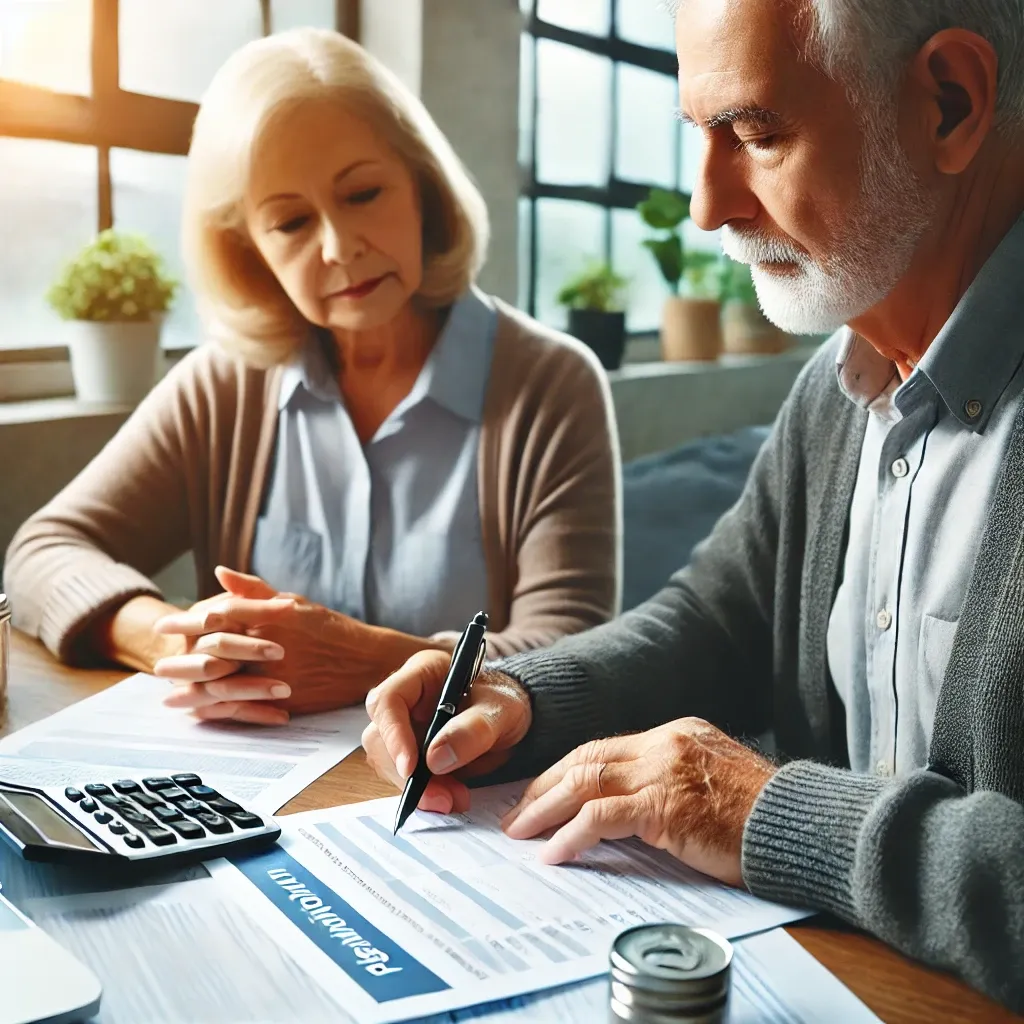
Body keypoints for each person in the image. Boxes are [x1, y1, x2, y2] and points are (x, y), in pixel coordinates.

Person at [363, 0, 1024, 1011]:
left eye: (755, 135)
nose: (707, 206)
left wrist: (768, 811)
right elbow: (717, 619)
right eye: (699, 136)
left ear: (949, 102)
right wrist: (523, 696)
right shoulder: (835, 389)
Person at [3, 29, 621, 724]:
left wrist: (362, 660)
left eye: (362, 193)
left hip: (457, 803)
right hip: (252, 798)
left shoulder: (551, 384)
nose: (338, 247)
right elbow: (42, 551)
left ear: (422, 187)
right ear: (248, 251)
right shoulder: (224, 386)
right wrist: (172, 637)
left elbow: (574, 652)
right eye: (291, 222)